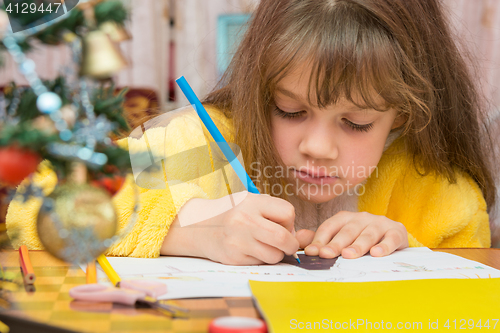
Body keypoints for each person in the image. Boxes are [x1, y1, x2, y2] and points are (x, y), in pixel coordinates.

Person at [7, 0, 497, 265]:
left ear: (402, 118)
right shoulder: (201, 143)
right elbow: (34, 207)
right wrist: (182, 229)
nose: (318, 148)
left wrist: (410, 250)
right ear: (259, 92)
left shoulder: (437, 194)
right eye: (289, 110)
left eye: (356, 123)